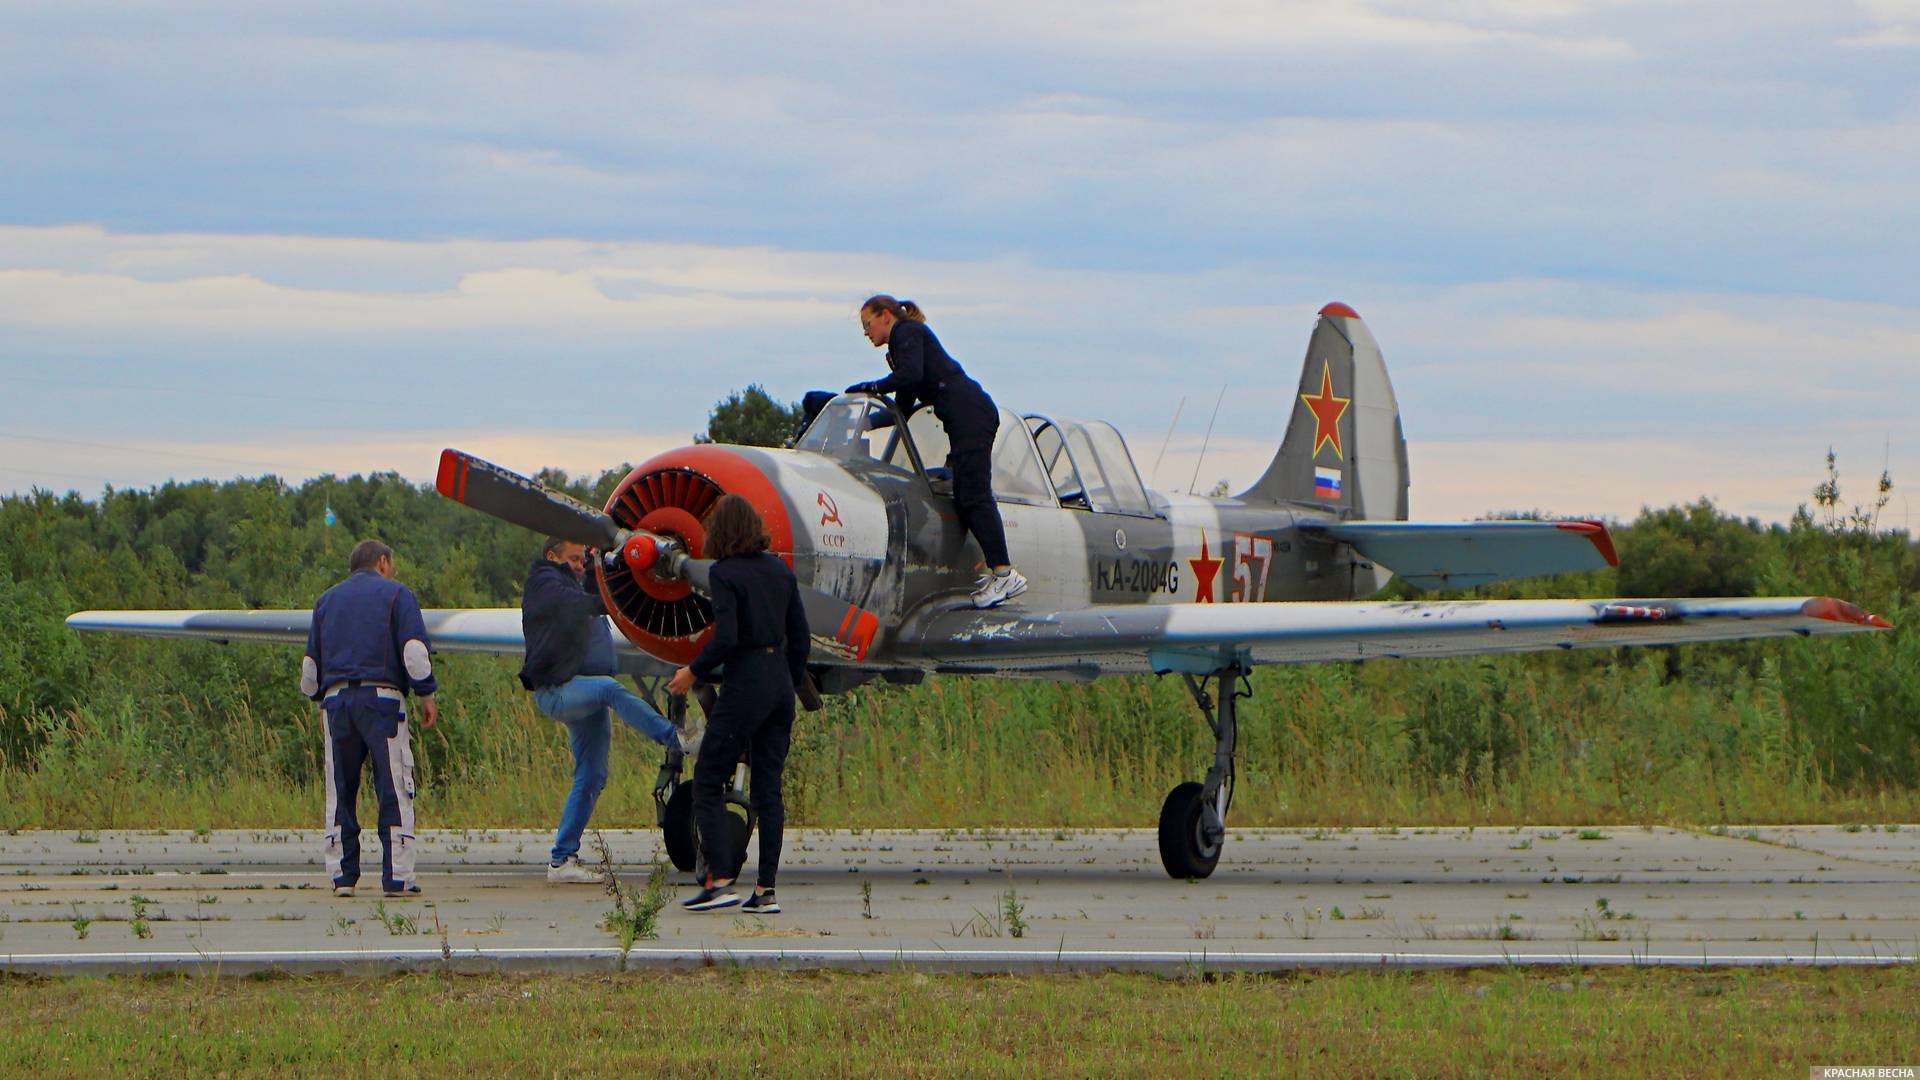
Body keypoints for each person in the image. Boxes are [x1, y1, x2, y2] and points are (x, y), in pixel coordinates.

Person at [521, 535, 696, 884]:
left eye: (580, 558)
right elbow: (583, 602)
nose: (578, 564)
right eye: (572, 558)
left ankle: (562, 860)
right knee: (610, 690)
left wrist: (604, 561)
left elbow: (586, 589)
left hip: (582, 692)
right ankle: (675, 737)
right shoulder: (544, 583)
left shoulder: (571, 581)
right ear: (550, 556)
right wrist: (621, 598)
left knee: (592, 775)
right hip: (558, 692)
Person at [667, 494, 810, 913]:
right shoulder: (780, 571)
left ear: (722, 530)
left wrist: (692, 671)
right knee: (769, 790)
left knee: (709, 777)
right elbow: (799, 637)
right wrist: (786, 674)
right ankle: (765, 891)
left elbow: (727, 638)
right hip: (781, 681)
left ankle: (720, 879)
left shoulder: (725, 573)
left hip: (746, 679)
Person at [848, 294, 1027, 608]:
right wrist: (864, 423)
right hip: (965, 416)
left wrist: (872, 387)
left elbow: (911, 376)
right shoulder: (900, 349)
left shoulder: (907, 333)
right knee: (964, 492)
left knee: (973, 495)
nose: (865, 332)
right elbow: (902, 405)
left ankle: (1004, 573)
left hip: (970, 413)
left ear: (885, 316)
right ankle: (999, 571)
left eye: (867, 324)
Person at [301, 539, 439, 899]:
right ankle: (397, 876)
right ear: (382, 562)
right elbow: (413, 652)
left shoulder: (326, 601)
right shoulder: (397, 594)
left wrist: (321, 702)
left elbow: (310, 670)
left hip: (336, 703)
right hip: (383, 702)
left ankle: (342, 876)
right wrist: (426, 693)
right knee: (394, 785)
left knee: (339, 789)